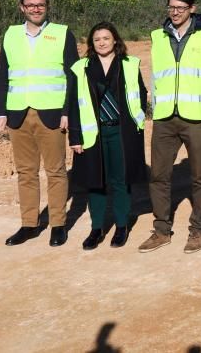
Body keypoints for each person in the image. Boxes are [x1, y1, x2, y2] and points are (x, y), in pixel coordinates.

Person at [139, 0, 201, 254]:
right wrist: (154, 110)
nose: (175, 13)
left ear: (192, 9)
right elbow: (156, 77)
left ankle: (197, 230)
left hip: (195, 118)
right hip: (164, 118)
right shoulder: (157, 37)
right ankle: (161, 230)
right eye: (171, 8)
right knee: (159, 176)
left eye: (181, 8)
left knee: (199, 177)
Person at [0, 0, 79, 247]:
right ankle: (29, 225)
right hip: (17, 114)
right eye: (30, 5)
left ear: (47, 6)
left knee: (55, 171)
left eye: (40, 4)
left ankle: (58, 225)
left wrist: (68, 112)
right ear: (22, 7)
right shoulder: (10, 35)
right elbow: (2, 75)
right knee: (25, 172)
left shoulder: (62, 33)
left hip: (52, 114)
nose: (35, 9)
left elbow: (73, 76)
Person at [67, 22, 148, 250]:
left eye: (106, 38)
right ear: (92, 44)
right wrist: (75, 136)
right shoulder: (81, 67)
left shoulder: (129, 64)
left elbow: (140, 93)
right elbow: (73, 102)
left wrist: (137, 120)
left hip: (123, 132)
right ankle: (97, 229)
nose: (102, 42)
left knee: (121, 180)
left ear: (115, 40)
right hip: (94, 133)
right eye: (97, 39)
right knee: (96, 182)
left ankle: (121, 226)